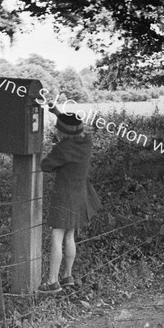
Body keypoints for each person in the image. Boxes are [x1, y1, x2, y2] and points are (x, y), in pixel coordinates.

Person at [38, 104, 101, 294]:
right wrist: (58, 112)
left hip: (64, 196)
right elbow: (74, 127)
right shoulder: (86, 142)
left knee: (56, 237)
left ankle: (52, 282)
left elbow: (45, 165)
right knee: (69, 236)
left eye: (58, 128)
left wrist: (54, 149)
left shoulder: (63, 148)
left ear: (62, 132)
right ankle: (67, 276)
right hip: (80, 195)